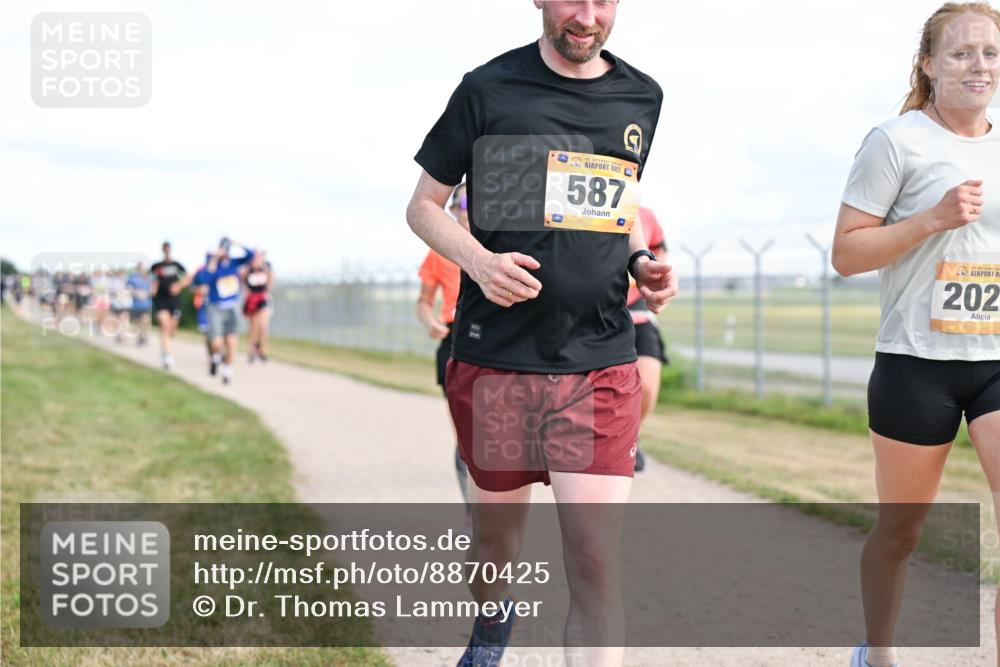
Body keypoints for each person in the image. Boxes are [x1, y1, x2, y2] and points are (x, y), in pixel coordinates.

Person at [405, 2, 677, 665]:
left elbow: (619, 208)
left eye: (602, 1)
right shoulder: (487, 89)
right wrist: (479, 261)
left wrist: (643, 262)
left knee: (594, 558)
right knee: (494, 547)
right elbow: (423, 206)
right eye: (571, 0)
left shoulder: (641, 96)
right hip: (499, 362)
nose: (586, 17)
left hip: (599, 361)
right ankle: (493, 618)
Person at [832, 4, 1000, 666]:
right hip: (916, 364)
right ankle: (877, 651)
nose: (979, 65)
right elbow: (847, 253)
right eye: (961, 52)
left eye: (990, 52)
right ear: (928, 64)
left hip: (996, 360)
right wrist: (931, 219)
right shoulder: (895, 142)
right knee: (902, 530)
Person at [417, 182, 472, 527]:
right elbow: (423, 301)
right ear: (451, 211)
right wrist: (430, 321)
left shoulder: (504, 245)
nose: (469, 209)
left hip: (500, 340)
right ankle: (473, 511)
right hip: (454, 339)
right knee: (466, 434)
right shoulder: (439, 253)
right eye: (463, 204)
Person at [625, 207, 669, 472]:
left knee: (647, 386)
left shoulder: (646, 215)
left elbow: (659, 251)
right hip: (597, 313)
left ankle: (631, 438)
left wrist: (654, 274)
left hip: (638, 314)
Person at [204, 238, 255, 384]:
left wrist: (237, 243)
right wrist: (215, 258)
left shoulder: (234, 263)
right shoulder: (212, 261)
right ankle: (215, 357)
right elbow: (207, 277)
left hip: (231, 307)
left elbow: (251, 255)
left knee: (231, 341)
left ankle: (227, 371)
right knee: (217, 343)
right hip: (216, 307)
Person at [150, 242, 190, 370]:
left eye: (168, 249)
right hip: (161, 299)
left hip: (174, 301)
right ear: (163, 250)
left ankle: (165, 348)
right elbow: (151, 280)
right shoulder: (156, 266)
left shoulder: (177, 265)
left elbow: (187, 278)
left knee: (171, 329)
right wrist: (152, 288)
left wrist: (179, 285)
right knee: (165, 325)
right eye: (165, 249)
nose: (167, 251)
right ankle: (167, 355)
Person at [243, 251, 273, 363]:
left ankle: (262, 350)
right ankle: (252, 350)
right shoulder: (248, 269)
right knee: (254, 327)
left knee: (263, 326)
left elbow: (271, 282)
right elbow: (243, 281)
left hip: (263, 299)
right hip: (252, 300)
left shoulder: (266, 268)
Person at [191, 253, 215, 374]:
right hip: (204, 308)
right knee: (207, 336)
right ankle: (211, 358)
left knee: (220, 335)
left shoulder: (221, 270)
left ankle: (218, 354)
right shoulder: (200, 271)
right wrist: (199, 289)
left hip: (218, 308)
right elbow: (192, 287)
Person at [127, 263, 153, 346]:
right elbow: (128, 289)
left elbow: (153, 289)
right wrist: (136, 293)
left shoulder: (149, 277)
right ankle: (140, 337)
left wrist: (147, 293)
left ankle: (145, 335)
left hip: (147, 303)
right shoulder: (132, 278)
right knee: (138, 322)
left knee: (146, 320)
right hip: (136, 304)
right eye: (140, 268)